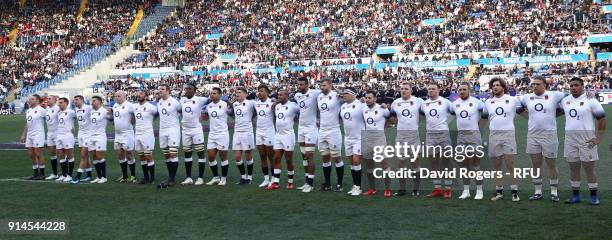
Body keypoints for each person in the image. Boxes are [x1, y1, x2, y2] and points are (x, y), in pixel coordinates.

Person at [561, 77, 606, 205]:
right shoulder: (565, 100)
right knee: (573, 168)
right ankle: (575, 196)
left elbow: (602, 119)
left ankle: (593, 196)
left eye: (576, 85)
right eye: (571, 85)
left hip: (587, 140)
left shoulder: (591, 99)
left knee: (589, 169)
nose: (573, 87)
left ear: (582, 86)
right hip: (570, 140)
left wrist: (599, 138)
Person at [520, 76, 565, 202]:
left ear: (545, 85)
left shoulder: (555, 95)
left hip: (549, 135)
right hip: (533, 136)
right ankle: (538, 192)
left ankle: (554, 192)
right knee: (536, 165)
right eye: (533, 84)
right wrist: (529, 117)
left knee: (551, 165)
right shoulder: (527, 97)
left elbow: (569, 99)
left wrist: (553, 116)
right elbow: (518, 108)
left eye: (538, 84)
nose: (535, 86)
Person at [482, 77, 525, 202]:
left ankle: (514, 192)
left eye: (497, 85)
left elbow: (523, 112)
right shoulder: (488, 102)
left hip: (508, 135)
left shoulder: (512, 100)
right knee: (497, 167)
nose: (495, 87)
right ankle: (499, 192)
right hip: (494, 135)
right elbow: (484, 118)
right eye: (493, 85)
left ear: (503, 87)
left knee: (511, 165)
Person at [450, 82, 485, 200]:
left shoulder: (477, 102)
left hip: (474, 135)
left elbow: (485, 114)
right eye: (460, 90)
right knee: (464, 165)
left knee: (475, 164)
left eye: (464, 89)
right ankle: (466, 190)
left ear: (469, 90)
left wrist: (478, 127)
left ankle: (479, 190)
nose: (462, 91)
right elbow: (450, 115)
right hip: (461, 136)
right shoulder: (454, 104)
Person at [389, 82, 424, 197]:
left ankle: (416, 189)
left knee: (415, 163)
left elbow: (427, 111)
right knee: (401, 164)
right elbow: (392, 116)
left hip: (414, 137)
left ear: (411, 90)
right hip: (400, 137)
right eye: (402, 89)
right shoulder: (395, 102)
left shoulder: (418, 101)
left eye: (406, 89)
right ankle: (402, 189)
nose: (403, 90)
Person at [421, 82, 454, 199]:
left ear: (438, 90)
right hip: (430, 135)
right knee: (433, 162)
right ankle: (437, 188)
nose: (431, 90)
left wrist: (445, 123)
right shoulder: (424, 104)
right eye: (429, 88)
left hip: (443, 134)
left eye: (433, 89)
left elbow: (453, 113)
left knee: (446, 161)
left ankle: (448, 189)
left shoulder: (446, 102)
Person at [266, 90, 299, 190]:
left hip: (288, 135)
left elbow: (302, 111)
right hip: (278, 135)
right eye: (278, 95)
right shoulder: (276, 106)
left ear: (286, 95)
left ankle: (290, 182)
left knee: (288, 159)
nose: (279, 96)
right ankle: (276, 182)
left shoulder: (293, 105)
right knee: (276, 158)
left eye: (281, 95)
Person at [362, 90, 391, 197]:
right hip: (367, 139)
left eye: (370, 98)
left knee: (384, 164)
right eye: (366, 98)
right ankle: (372, 188)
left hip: (379, 139)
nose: (367, 100)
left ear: (375, 98)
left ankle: (387, 189)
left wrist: (387, 106)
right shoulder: (363, 108)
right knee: (369, 166)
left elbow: (390, 117)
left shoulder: (381, 109)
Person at [316, 79, 344, 192]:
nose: (322, 87)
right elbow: (320, 111)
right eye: (321, 85)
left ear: (330, 85)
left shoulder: (336, 96)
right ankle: (327, 184)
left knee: (337, 158)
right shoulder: (319, 97)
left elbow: (349, 98)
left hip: (334, 130)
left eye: (324, 85)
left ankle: (339, 184)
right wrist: (318, 119)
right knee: (325, 158)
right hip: (322, 130)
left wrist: (341, 92)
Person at [179, 83, 209, 185]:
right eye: (186, 88)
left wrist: (205, 113)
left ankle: (200, 178)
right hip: (185, 130)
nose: (187, 90)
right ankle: (188, 178)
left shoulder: (200, 99)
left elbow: (212, 100)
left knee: (200, 153)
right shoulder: (182, 100)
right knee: (187, 154)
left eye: (189, 89)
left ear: (194, 91)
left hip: (196, 129)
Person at [294, 77, 320, 192]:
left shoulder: (315, 93)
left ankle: (310, 183)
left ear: (307, 84)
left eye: (302, 85)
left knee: (310, 155)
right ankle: (307, 181)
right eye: (298, 85)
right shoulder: (297, 96)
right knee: (304, 156)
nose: (299, 87)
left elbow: (328, 93)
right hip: (301, 128)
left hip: (311, 128)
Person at [204, 87, 232, 186]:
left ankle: (223, 179)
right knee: (211, 157)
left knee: (223, 156)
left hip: (222, 134)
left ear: (220, 95)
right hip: (212, 134)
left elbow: (231, 113)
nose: (212, 95)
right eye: (211, 93)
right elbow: (205, 118)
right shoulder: (209, 106)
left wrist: (229, 103)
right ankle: (216, 177)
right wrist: (202, 111)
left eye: (214, 93)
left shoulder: (225, 105)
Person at [340, 87, 365, 196]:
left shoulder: (361, 105)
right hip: (347, 138)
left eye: (346, 93)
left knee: (356, 160)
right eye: (343, 94)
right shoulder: (343, 106)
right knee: (351, 162)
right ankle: (355, 185)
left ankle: (359, 187)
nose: (344, 95)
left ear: (353, 94)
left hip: (359, 137)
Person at [229, 87, 256, 185]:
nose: (237, 94)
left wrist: (251, 118)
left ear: (245, 94)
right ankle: (243, 176)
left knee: (248, 155)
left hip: (247, 132)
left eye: (239, 92)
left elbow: (257, 110)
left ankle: (249, 177)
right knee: (237, 156)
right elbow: (233, 115)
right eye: (236, 93)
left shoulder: (250, 103)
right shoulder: (235, 104)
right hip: (237, 132)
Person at [157, 84, 182, 188]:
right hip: (162, 130)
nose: (160, 91)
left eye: (162, 89)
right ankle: (171, 176)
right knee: (167, 155)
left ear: (168, 91)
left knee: (173, 154)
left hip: (173, 130)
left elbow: (182, 112)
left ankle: (171, 179)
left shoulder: (175, 102)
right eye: (159, 89)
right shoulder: (159, 102)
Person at [110, 90, 137, 183]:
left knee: (129, 154)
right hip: (118, 134)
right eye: (115, 96)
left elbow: (135, 118)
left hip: (127, 133)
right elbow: (115, 118)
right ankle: (125, 176)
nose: (116, 98)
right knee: (120, 154)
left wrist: (133, 120)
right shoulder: (115, 106)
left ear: (124, 96)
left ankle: (133, 175)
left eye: (118, 96)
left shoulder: (130, 105)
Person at [20, 94, 47, 180]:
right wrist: (24, 134)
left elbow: (50, 120)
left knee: (38, 153)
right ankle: (35, 173)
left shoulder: (42, 110)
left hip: (38, 134)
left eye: (32, 99)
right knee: (31, 154)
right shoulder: (28, 111)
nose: (29, 100)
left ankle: (42, 174)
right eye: (29, 99)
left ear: (37, 101)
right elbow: (27, 124)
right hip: (30, 135)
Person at [134, 91, 158, 184]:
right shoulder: (134, 106)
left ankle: (152, 178)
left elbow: (157, 113)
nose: (139, 95)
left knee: (148, 156)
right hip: (138, 133)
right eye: (138, 94)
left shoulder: (151, 107)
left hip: (147, 133)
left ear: (146, 96)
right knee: (141, 157)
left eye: (141, 94)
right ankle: (146, 177)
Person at [254, 84, 276, 187]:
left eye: (262, 91)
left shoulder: (272, 102)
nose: (260, 93)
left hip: (269, 131)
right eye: (259, 91)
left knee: (271, 157)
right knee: (262, 156)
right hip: (259, 132)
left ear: (267, 92)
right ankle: (266, 179)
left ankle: (274, 179)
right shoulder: (256, 104)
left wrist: (277, 101)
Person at [70, 95, 94, 184]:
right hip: (80, 134)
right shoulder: (76, 109)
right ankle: (89, 175)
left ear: (82, 100)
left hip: (88, 134)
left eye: (77, 100)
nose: (75, 101)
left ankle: (78, 176)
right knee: (85, 156)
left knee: (83, 155)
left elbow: (99, 109)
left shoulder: (88, 108)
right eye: (74, 100)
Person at [89, 96, 110, 184]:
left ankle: (104, 177)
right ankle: (99, 176)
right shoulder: (91, 111)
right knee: (94, 156)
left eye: (94, 101)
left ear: (99, 102)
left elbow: (112, 115)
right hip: (92, 136)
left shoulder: (105, 111)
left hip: (100, 136)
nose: (92, 102)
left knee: (99, 156)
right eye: (92, 101)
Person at [54, 97, 76, 182]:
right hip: (59, 135)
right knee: (61, 156)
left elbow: (79, 118)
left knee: (70, 156)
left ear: (66, 103)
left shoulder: (71, 112)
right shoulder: (58, 113)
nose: (59, 104)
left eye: (61, 102)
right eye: (59, 103)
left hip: (67, 135)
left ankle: (69, 175)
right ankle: (64, 175)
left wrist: (73, 127)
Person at [44, 95, 60, 180]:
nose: (48, 100)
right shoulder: (46, 109)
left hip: (58, 133)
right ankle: (55, 173)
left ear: (54, 100)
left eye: (50, 99)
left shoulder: (58, 108)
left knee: (62, 153)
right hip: (50, 133)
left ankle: (65, 174)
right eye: (47, 99)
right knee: (52, 153)